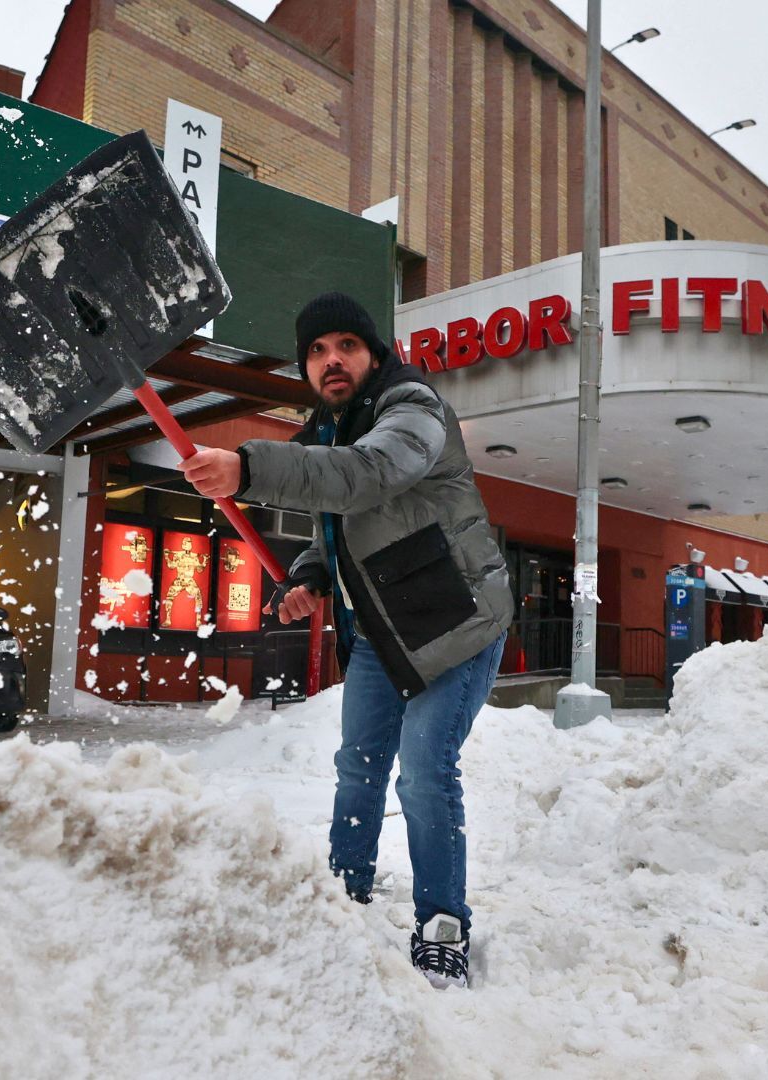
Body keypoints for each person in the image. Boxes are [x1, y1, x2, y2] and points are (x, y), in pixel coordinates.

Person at [179, 291, 512, 989]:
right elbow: (336, 529)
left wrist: (248, 468)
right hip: (383, 634)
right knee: (359, 765)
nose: (331, 360)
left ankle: (442, 922)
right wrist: (309, 575)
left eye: (347, 346)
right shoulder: (329, 429)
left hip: (455, 625)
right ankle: (344, 890)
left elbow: (365, 478)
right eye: (317, 351)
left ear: (374, 353)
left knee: (424, 770)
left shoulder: (412, 409)